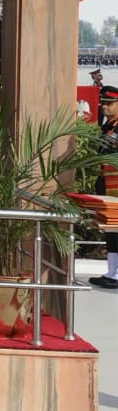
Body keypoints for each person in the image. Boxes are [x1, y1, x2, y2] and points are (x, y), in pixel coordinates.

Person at [90, 85, 118, 290]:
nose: (104, 107)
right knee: (110, 229)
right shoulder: (107, 127)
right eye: (103, 103)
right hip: (106, 183)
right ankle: (112, 271)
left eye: (109, 104)